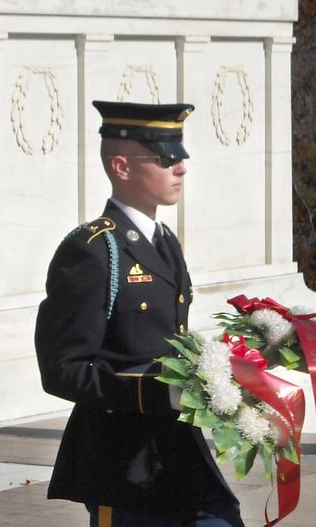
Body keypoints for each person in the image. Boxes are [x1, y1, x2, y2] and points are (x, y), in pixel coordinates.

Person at [35, 100, 243, 526]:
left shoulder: (164, 241)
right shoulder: (93, 250)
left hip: (178, 451)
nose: (180, 168)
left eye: (181, 158)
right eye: (166, 159)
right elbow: (62, 368)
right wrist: (153, 394)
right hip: (124, 465)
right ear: (122, 167)